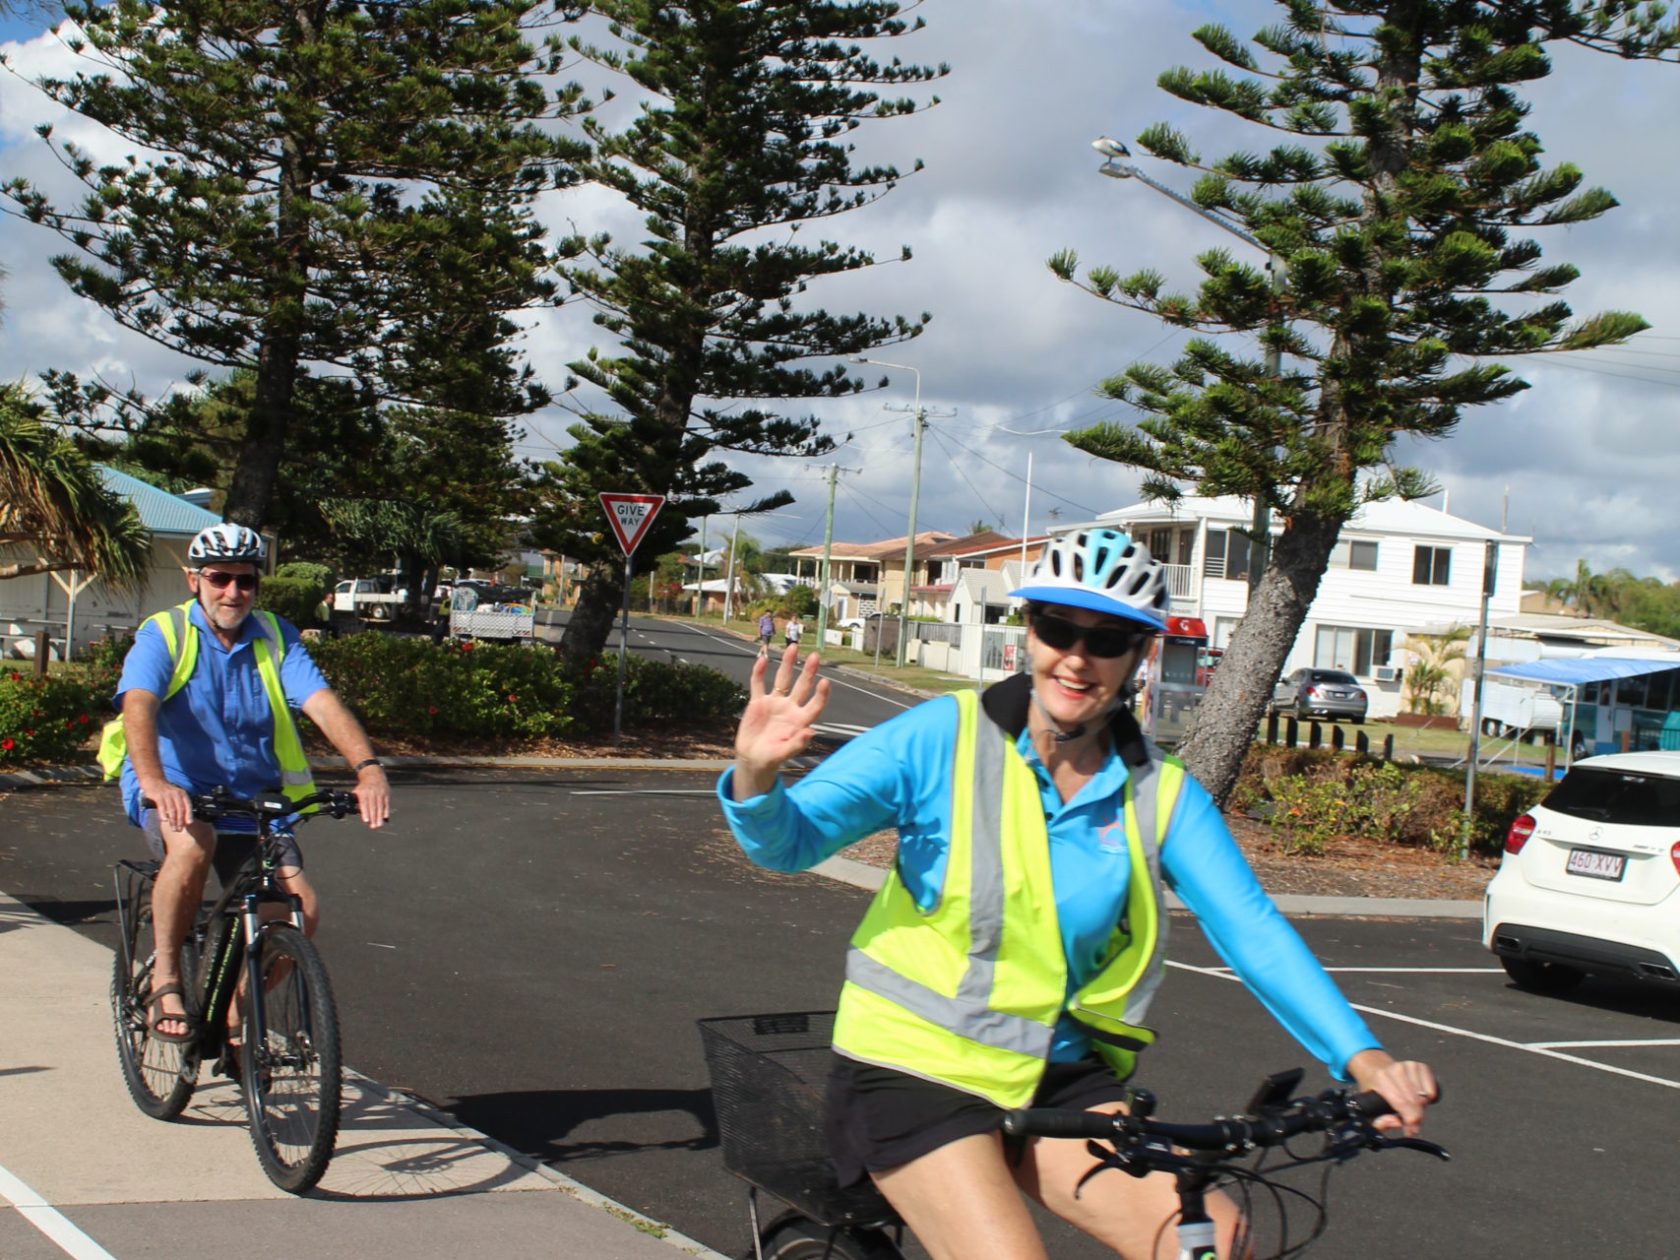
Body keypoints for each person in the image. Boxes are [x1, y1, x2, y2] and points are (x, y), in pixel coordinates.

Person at [718, 528, 1436, 1260]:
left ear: (1140, 653)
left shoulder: (1161, 795)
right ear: (1028, 631)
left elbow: (1252, 930)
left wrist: (1364, 1058)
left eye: (1108, 638)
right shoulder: (943, 736)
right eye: (1058, 627)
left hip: (1059, 1077)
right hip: (914, 1070)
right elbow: (785, 843)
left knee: (1214, 1241)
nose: (1077, 656)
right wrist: (756, 775)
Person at [115, 523, 391, 1051]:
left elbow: (322, 703)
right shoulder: (165, 633)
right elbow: (139, 706)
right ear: (193, 579)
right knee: (194, 845)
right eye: (220, 579)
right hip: (177, 785)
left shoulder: (275, 635)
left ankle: (239, 1013)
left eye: (246, 581)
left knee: (300, 908)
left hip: (250, 795)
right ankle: (166, 977)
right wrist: (154, 781)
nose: (233, 593)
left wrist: (368, 768)